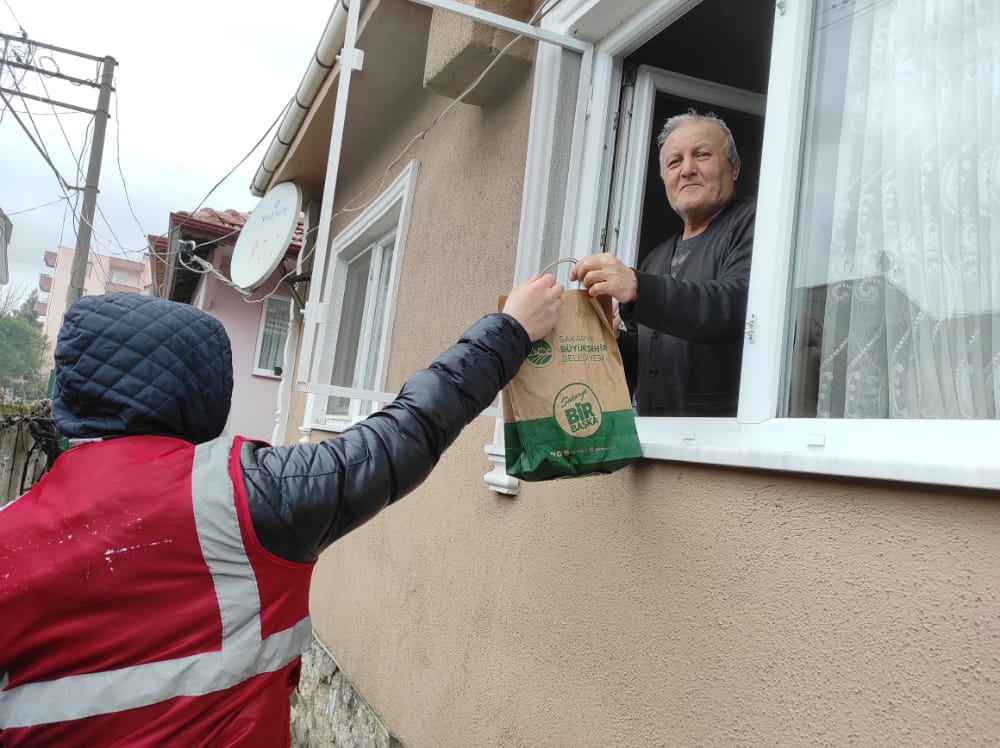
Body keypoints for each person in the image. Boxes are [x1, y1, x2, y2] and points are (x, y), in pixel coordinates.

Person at [0, 275, 563, 747]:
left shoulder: (10, 532)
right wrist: (509, 331)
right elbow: (403, 436)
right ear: (205, 390)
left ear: (69, 393)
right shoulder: (248, 494)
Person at [570, 110, 755, 416]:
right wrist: (614, 340)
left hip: (717, 439)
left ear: (734, 167)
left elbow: (739, 304)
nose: (687, 170)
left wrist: (639, 287)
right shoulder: (656, 257)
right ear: (665, 179)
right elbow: (645, 364)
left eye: (702, 154)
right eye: (674, 162)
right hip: (658, 438)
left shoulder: (753, 223)